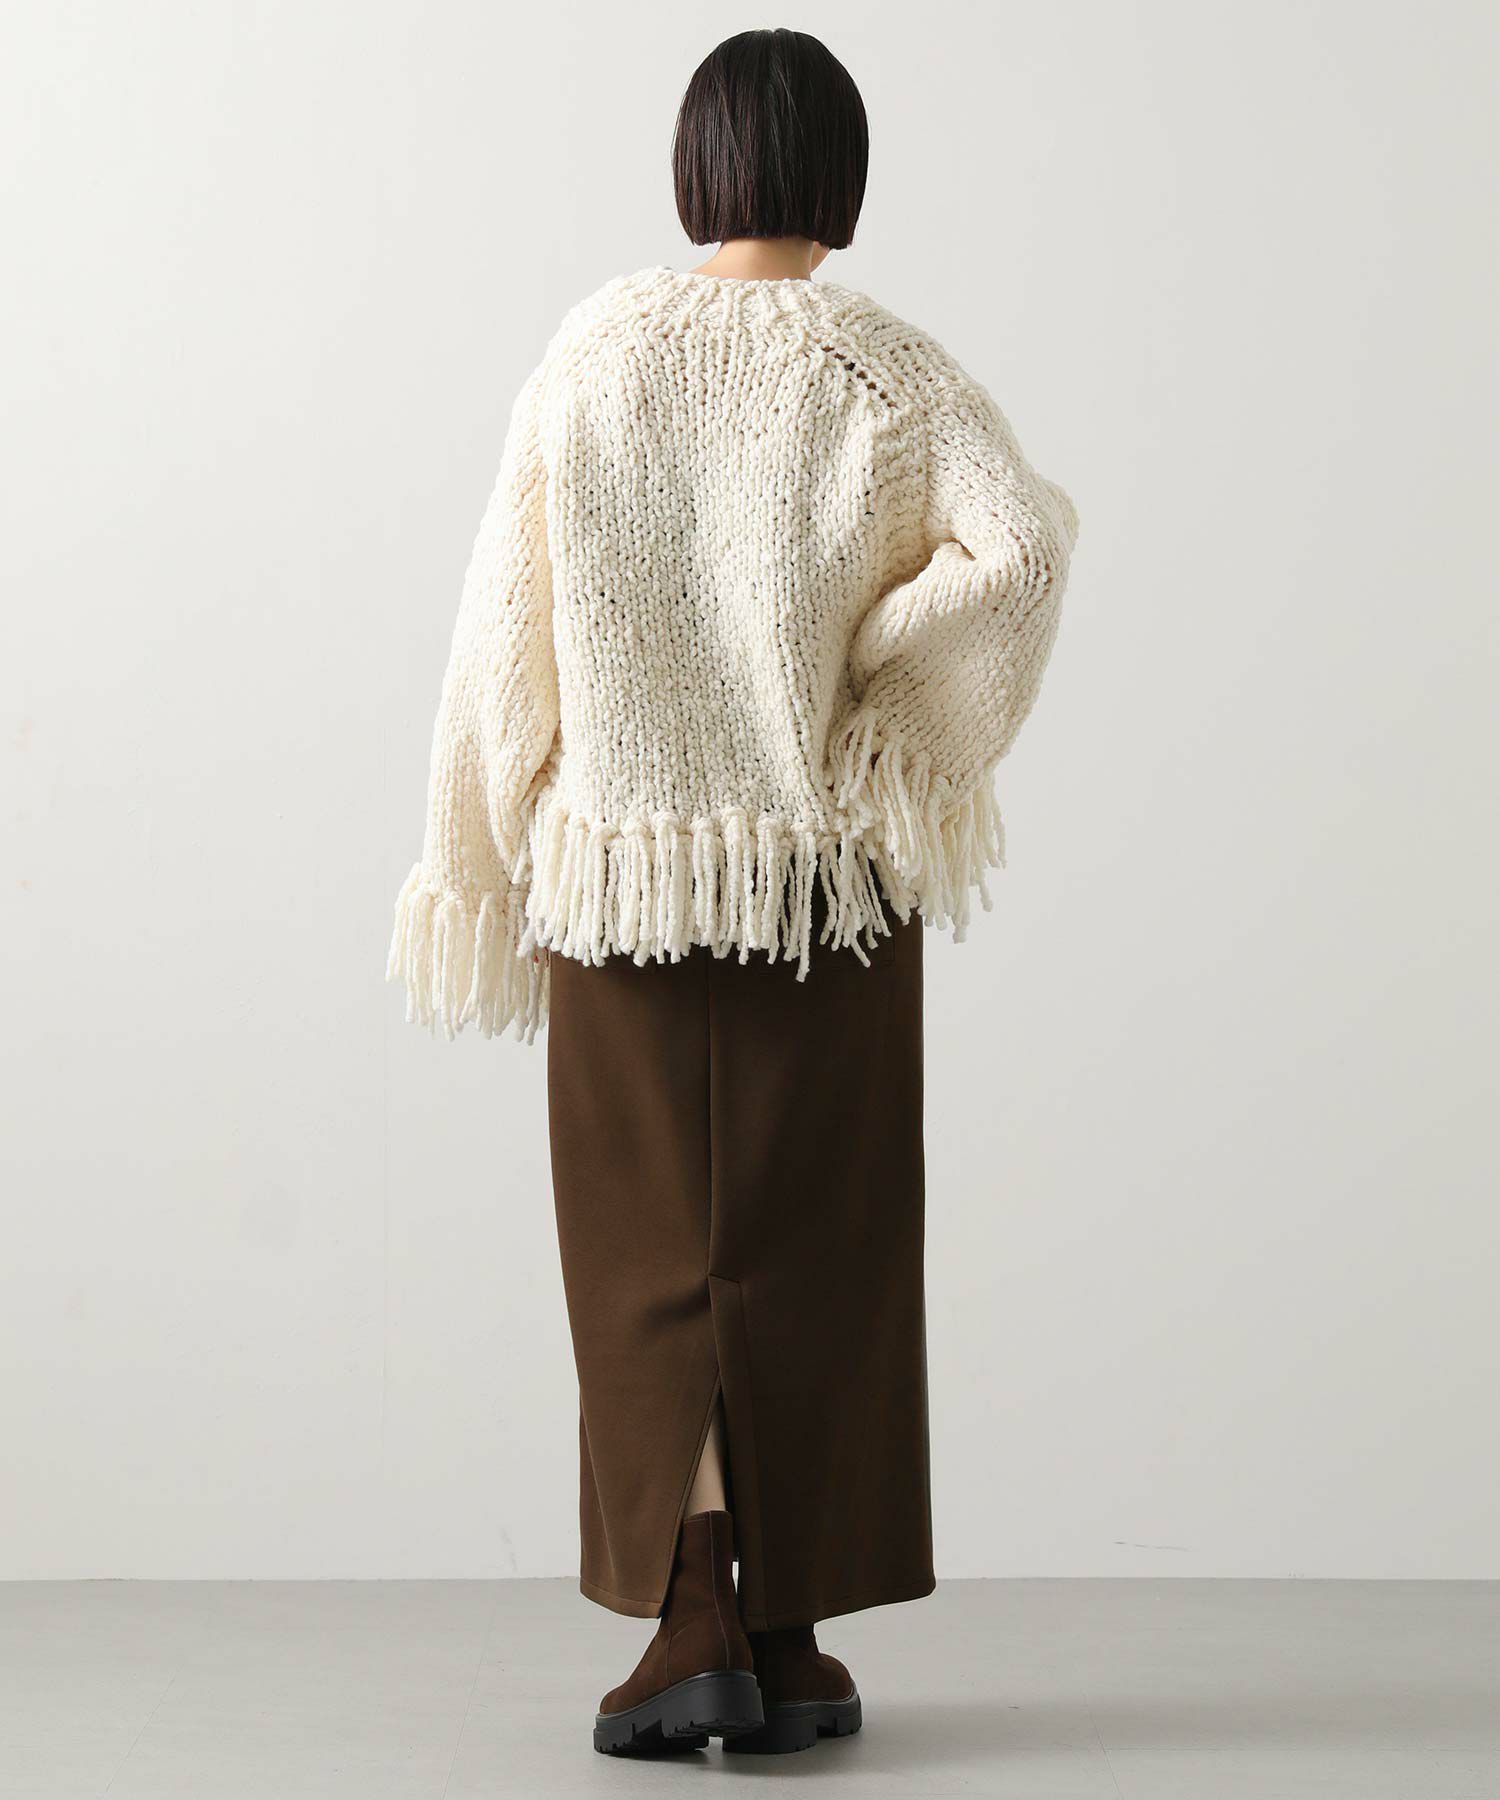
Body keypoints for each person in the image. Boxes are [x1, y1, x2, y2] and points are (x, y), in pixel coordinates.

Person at [388, 26, 1078, 1758]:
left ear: (696, 168)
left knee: (648, 1260)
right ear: (842, 177)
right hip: (819, 892)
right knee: (819, 1251)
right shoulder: (885, 371)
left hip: (623, 887)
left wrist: (477, 851)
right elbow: (1022, 551)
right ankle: (779, 1626)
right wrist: (878, 723)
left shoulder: (595, 354)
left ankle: (700, 1621)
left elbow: (500, 636)